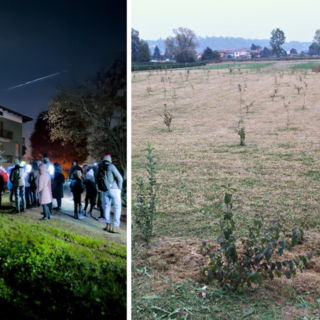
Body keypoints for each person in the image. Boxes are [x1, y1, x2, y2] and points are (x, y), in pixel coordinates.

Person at [97, 155, 123, 233]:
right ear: (109, 160)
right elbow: (120, 178)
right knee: (117, 207)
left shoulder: (100, 167)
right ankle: (116, 226)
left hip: (105, 190)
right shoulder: (111, 166)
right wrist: (119, 188)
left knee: (106, 207)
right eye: (111, 159)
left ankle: (107, 225)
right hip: (114, 189)